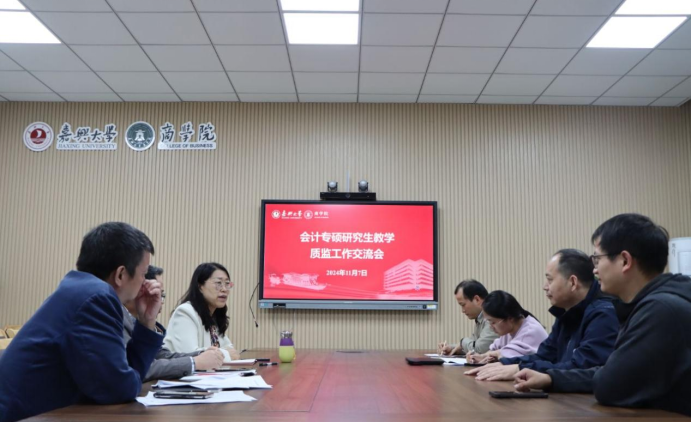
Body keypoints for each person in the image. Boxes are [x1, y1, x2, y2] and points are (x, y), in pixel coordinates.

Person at [514, 214, 691, 417]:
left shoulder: (659, 310)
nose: (594, 269)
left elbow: (610, 385)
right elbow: (611, 372)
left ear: (625, 260)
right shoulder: (648, 305)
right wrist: (551, 378)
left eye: (597, 259)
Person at [0, 223, 163, 422]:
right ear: (121, 274)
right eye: (144, 274)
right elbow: (118, 389)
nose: (146, 282)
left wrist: (146, 321)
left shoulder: (82, 289)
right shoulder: (97, 298)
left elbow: (122, 376)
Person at [467, 249, 619, 381]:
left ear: (573, 282)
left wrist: (519, 368)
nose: (545, 287)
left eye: (550, 280)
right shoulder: (566, 313)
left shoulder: (604, 314)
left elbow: (582, 368)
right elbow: (544, 356)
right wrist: (505, 364)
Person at [122, 265, 225, 381]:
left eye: (162, 295)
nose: (160, 301)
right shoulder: (118, 316)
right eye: (157, 294)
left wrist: (202, 354)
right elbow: (140, 367)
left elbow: (160, 355)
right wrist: (195, 362)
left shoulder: (136, 320)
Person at [164, 263, 240, 362]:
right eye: (218, 283)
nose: (224, 289)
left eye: (227, 284)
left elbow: (231, 350)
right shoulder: (185, 312)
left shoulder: (212, 316)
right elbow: (190, 356)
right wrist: (227, 355)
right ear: (200, 286)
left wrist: (228, 354)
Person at [467, 291, 548, 365]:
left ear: (510, 318)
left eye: (493, 322)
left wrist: (496, 354)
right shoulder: (508, 330)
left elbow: (508, 359)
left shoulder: (530, 331)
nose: (491, 327)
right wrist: (479, 357)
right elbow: (494, 350)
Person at [438, 280, 498, 356]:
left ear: (477, 299)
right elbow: (473, 345)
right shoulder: (480, 317)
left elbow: (480, 349)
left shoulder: (492, 316)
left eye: (463, 305)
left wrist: (462, 342)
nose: (462, 311)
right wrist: (451, 348)